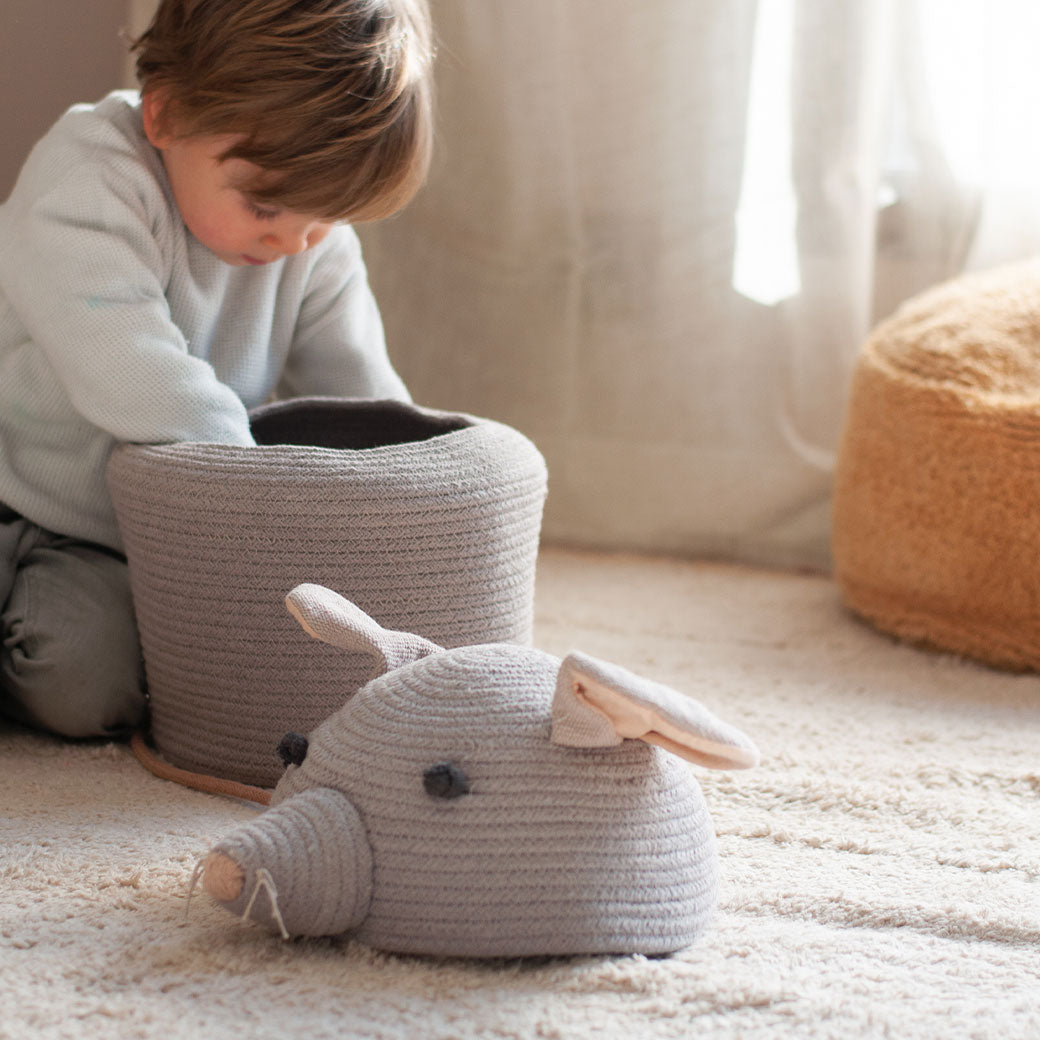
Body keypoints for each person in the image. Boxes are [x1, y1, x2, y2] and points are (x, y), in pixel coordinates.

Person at [0, 0, 434, 740]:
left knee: (86, 690)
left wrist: (412, 493)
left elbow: (360, 392)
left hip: (110, 542)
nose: (296, 239)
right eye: (265, 203)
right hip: (13, 488)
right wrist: (255, 492)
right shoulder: (89, 172)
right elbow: (127, 365)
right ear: (165, 116)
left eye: (326, 215)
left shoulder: (308, 241)